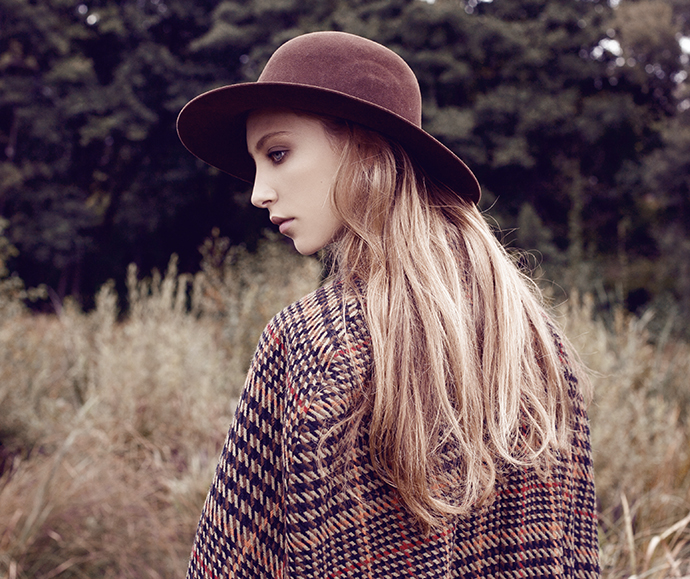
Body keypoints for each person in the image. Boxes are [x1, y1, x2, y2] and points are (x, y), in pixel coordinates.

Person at [177, 31, 600, 578]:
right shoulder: (537, 341)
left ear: (366, 151)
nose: (259, 191)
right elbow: (578, 555)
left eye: (278, 154)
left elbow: (232, 561)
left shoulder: (312, 339)